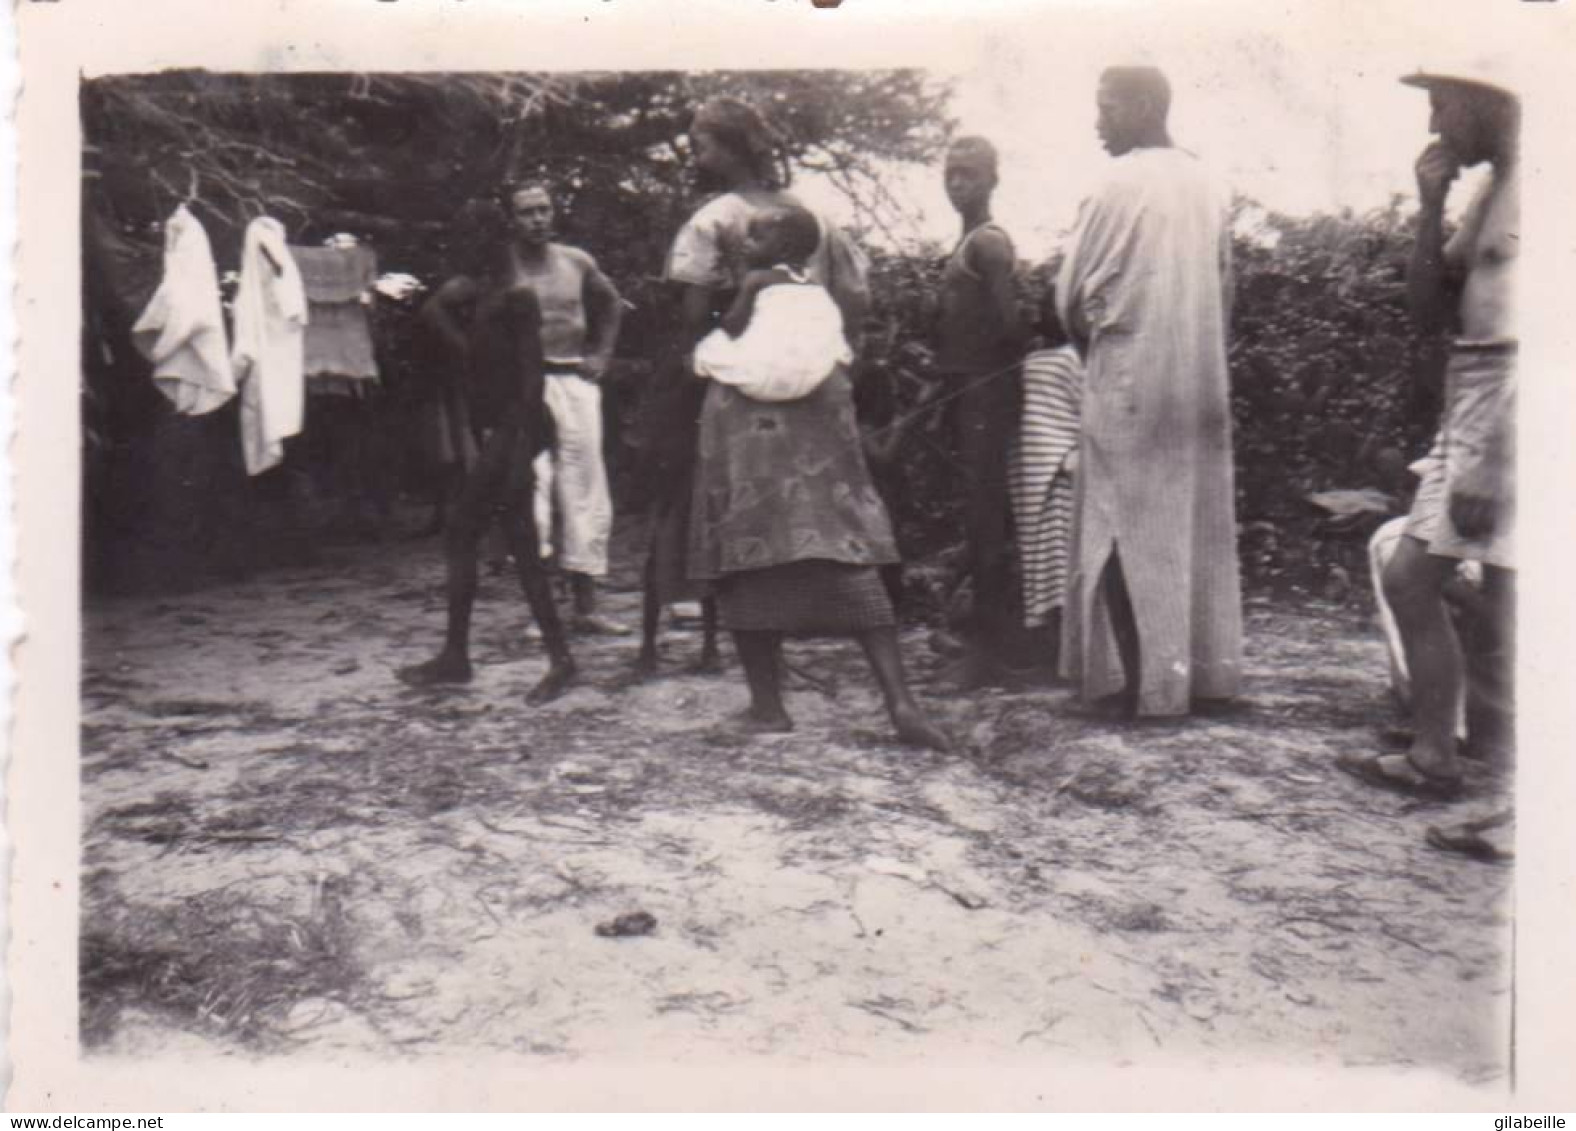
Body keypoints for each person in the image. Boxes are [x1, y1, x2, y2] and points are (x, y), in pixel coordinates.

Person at [671, 100, 948, 750]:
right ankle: (900, 700)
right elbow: (855, 295)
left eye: (703, 145)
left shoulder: (713, 220)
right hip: (822, 397)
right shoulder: (814, 213)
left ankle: (768, 704)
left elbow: (692, 323)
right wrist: (826, 355)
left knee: (744, 542)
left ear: (732, 145)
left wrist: (730, 342)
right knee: (840, 534)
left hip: (745, 406)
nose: (696, 157)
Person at [1337, 60, 1518, 805]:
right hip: (1470, 387)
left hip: (1512, 393)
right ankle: (1439, 754)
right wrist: (1430, 201)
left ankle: (1494, 781)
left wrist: (1499, 456)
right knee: (1423, 577)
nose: (1434, 124)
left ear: (1486, 99)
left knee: (1505, 590)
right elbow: (1427, 307)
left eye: (1443, 105)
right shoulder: (1490, 189)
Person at [1055, 65, 1243, 718]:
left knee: (1118, 523)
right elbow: (1225, 288)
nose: (1098, 121)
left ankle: (1138, 685)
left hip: (1131, 373)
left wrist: (1098, 338)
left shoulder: (1114, 181)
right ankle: (1191, 678)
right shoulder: (1208, 183)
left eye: (1106, 107)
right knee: (1185, 523)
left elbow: (1073, 295)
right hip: (1196, 375)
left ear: (1141, 106)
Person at [395, 193, 575, 703]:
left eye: (470, 240)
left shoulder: (517, 297)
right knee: (514, 540)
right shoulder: (475, 294)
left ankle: (471, 657)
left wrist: (518, 456)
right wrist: (443, 317)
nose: (463, 249)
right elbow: (467, 350)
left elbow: (532, 382)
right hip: (501, 429)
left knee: (465, 532)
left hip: (520, 428)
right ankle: (544, 658)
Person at [504, 181, 630, 637]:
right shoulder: (501, 266)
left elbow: (612, 302)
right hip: (522, 386)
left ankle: (586, 607)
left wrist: (602, 354)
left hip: (574, 378)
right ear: (510, 219)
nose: (538, 219)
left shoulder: (576, 261)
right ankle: (542, 611)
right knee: (532, 492)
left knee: (584, 488)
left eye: (543, 209)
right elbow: (452, 312)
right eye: (526, 212)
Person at [934, 135, 1028, 687]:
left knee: (986, 519)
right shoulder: (966, 241)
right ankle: (989, 639)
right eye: (949, 173)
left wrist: (986, 379)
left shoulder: (989, 244)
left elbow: (1013, 325)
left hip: (986, 393)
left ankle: (986, 655)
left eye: (968, 173)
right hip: (967, 391)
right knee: (977, 518)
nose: (956, 183)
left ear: (993, 178)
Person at [1008, 283, 1085, 668]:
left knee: (1045, 560)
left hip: (1032, 468)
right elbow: (1089, 411)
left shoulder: (1028, 361)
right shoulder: (1074, 361)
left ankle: (1055, 649)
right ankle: (1072, 654)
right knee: (1067, 559)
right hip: (1064, 467)